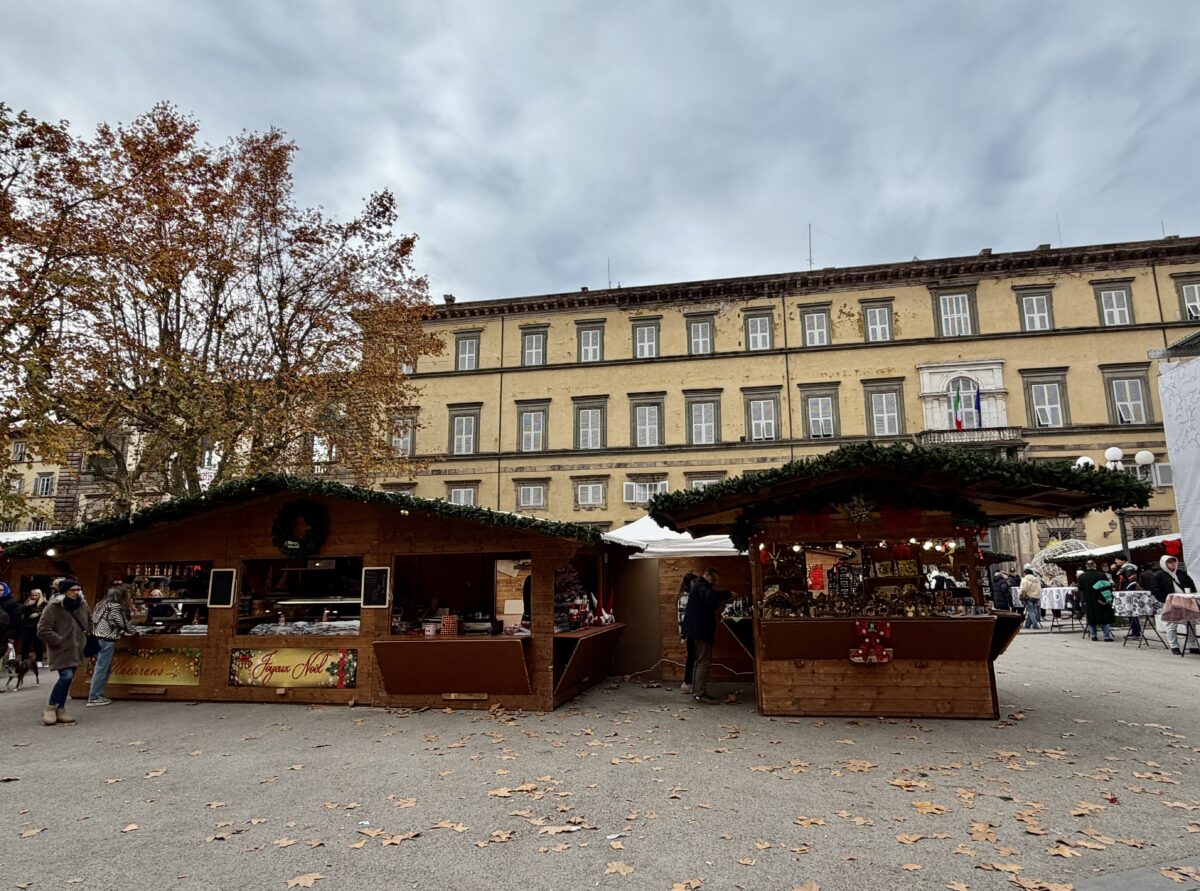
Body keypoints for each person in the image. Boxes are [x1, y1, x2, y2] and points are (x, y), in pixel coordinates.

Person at [36, 578, 90, 725]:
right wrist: (59, 640)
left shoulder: (82, 604)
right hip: (61, 649)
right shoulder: (53, 606)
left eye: (78, 589)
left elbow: (89, 620)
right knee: (65, 677)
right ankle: (51, 707)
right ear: (65, 591)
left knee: (69, 679)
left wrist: (87, 636)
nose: (76, 593)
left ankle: (61, 709)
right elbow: (43, 629)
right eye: (73, 590)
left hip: (77, 647)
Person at [681, 568, 732, 704]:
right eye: (714, 579)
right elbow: (710, 597)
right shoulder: (702, 585)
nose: (714, 583)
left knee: (699, 661)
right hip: (700, 630)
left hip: (695, 630)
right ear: (708, 575)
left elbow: (707, 602)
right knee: (704, 661)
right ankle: (700, 693)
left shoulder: (699, 586)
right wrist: (728, 593)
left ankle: (697, 692)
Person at [88, 585, 133, 706]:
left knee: (103, 668)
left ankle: (99, 695)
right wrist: (134, 631)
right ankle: (94, 697)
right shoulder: (115, 607)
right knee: (102, 668)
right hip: (107, 639)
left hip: (96, 638)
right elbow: (123, 623)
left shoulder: (100, 604)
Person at [1151, 555, 1199, 655]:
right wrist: (1165, 600)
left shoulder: (1181, 573)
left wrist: (1192, 595)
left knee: (1191, 623)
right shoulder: (1158, 575)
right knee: (1171, 624)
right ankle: (1174, 646)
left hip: (1186, 600)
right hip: (1171, 602)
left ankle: (1193, 645)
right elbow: (1155, 589)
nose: (1173, 564)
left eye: (1174, 562)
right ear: (1164, 563)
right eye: (1170, 562)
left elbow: (1191, 584)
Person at [1077, 559, 1115, 641]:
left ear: (1086, 566)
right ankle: (1106, 636)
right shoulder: (1101, 574)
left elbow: (1080, 588)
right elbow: (1107, 586)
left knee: (1091, 617)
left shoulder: (1082, 576)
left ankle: (1093, 636)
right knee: (1104, 617)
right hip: (1100, 599)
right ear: (1095, 565)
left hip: (1089, 599)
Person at [676, 572, 698, 694]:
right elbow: (684, 618)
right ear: (688, 583)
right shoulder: (685, 598)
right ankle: (687, 682)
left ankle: (688, 682)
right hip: (690, 632)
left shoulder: (685, 596)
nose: (696, 584)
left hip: (688, 631)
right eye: (694, 582)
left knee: (692, 656)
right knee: (692, 657)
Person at [20, 589, 46, 666]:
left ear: (39, 595)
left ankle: (39, 660)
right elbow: (20, 611)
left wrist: (38, 614)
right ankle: (24, 660)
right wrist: (26, 605)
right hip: (26, 625)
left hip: (37, 625)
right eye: (32, 595)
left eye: (36, 595)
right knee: (25, 644)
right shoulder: (27, 602)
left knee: (37, 643)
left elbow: (46, 612)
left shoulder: (43, 603)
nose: (34, 597)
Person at [1117, 563, 1143, 638]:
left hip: (1128, 594)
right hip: (1126, 592)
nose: (1116, 562)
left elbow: (1132, 582)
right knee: (1130, 613)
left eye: (1117, 560)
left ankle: (1136, 632)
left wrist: (1127, 591)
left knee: (1132, 613)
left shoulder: (1128, 568)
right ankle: (1134, 631)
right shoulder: (1124, 568)